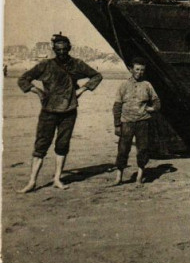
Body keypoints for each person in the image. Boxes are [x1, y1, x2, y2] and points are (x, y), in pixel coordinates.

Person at [17, 34, 103, 193]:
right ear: (54, 50)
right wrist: (36, 90)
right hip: (48, 111)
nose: (61, 52)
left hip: (69, 111)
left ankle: (57, 178)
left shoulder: (77, 64)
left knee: (62, 145)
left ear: (69, 48)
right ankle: (32, 181)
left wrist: (83, 90)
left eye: (64, 49)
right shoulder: (45, 65)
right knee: (41, 145)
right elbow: (23, 79)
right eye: (58, 50)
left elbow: (97, 76)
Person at [113, 57, 160, 185]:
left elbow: (157, 102)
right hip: (126, 122)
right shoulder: (123, 85)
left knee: (143, 148)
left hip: (143, 122)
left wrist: (152, 108)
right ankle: (119, 176)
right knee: (123, 149)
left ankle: (139, 175)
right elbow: (117, 106)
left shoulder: (147, 85)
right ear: (131, 69)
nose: (139, 72)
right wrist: (117, 124)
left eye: (142, 70)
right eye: (137, 69)